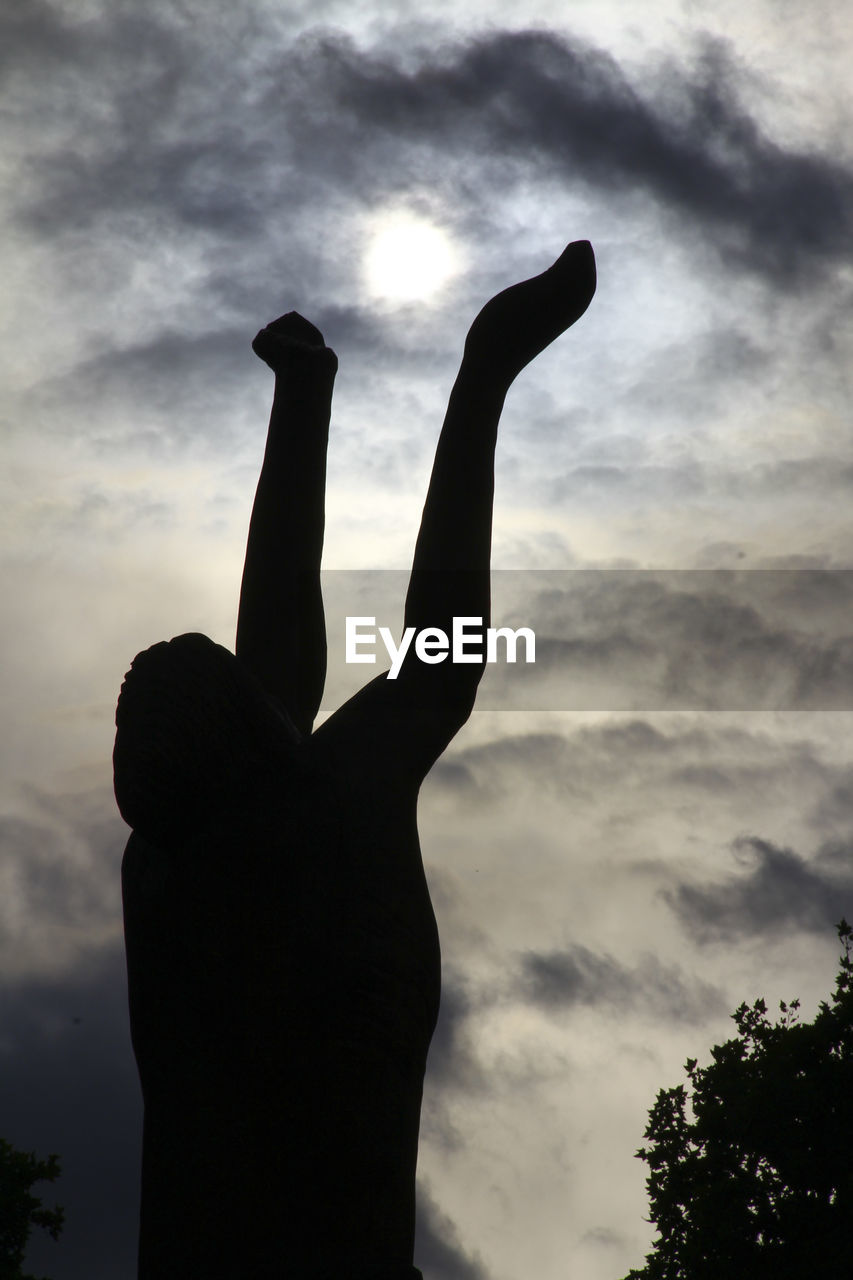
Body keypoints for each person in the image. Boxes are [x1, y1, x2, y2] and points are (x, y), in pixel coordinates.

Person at [114, 241, 596, 1279]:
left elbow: (273, 673)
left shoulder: (164, 867)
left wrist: (301, 400)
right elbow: (441, 653)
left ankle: (312, 387)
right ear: (259, 754)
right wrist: (482, 380)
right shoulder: (319, 827)